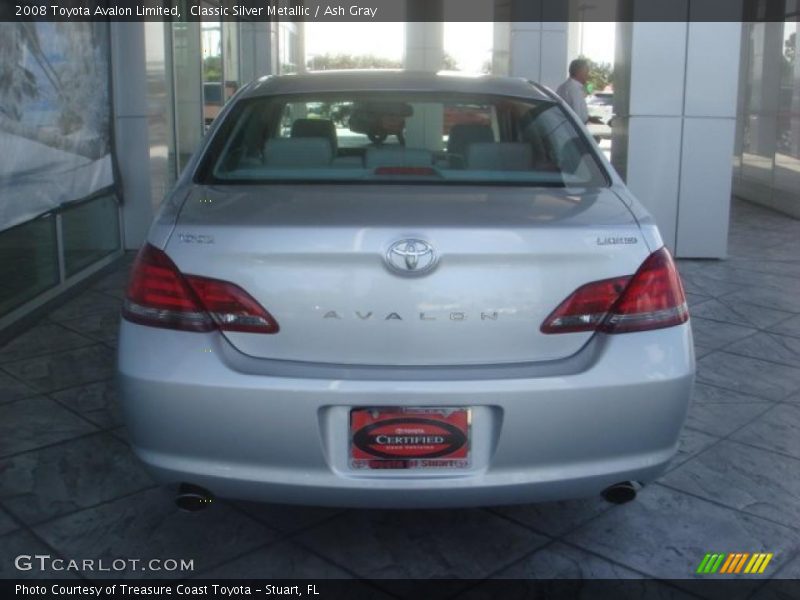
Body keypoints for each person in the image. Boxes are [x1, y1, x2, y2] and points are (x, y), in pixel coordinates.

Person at [556, 59, 593, 124]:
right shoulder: (575, 90)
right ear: (580, 72)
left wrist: (589, 118)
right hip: (572, 129)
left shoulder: (562, 87)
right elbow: (577, 119)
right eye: (586, 71)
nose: (588, 75)